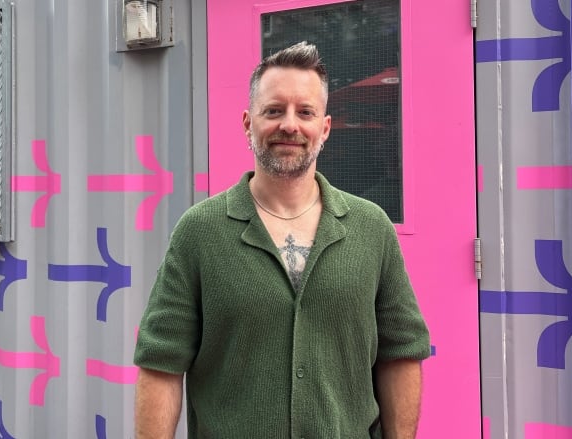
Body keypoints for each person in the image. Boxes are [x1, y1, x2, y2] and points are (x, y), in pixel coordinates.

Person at [133, 41, 430, 439]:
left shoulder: (370, 228)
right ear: (247, 123)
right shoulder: (199, 232)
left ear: (323, 128)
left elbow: (401, 353)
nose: (289, 125)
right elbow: (161, 365)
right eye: (273, 110)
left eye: (304, 112)